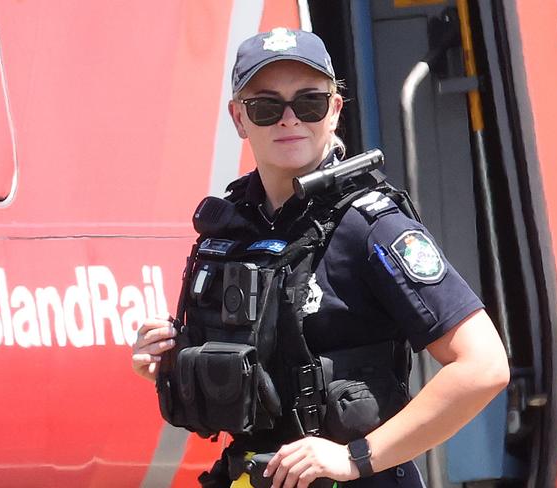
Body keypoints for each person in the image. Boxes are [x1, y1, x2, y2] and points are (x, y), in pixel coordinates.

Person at [132, 27, 509, 488]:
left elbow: (483, 366)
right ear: (238, 119)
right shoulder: (233, 226)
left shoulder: (372, 225)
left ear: (334, 111)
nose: (289, 120)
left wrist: (357, 457)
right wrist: (167, 359)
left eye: (308, 103)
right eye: (266, 107)